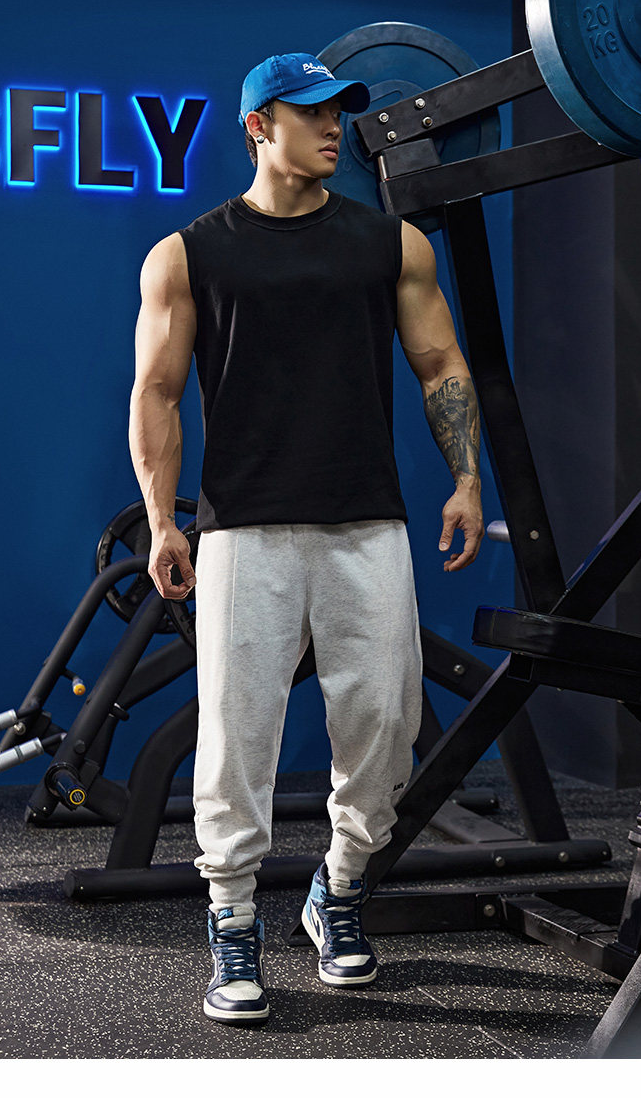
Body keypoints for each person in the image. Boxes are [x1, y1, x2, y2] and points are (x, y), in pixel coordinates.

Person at [129, 52, 484, 1027]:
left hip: (366, 518)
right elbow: (156, 391)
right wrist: (161, 519)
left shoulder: (389, 245)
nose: (335, 127)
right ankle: (234, 918)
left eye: (340, 111)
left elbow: (441, 362)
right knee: (236, 733)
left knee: (384, 722)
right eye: (313, 111)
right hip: (244, 525)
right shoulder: (188, 255)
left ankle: (341, 882)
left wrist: (465, 479)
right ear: (259, 126)